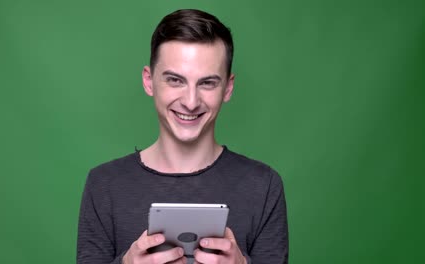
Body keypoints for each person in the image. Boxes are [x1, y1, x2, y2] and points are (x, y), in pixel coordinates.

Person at [77, 9, 288, 264]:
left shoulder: (264, 186)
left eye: (207, 83)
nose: (190, 102)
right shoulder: (104, 185)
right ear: (149, 81)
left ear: (228, 88)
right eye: (175, 80)